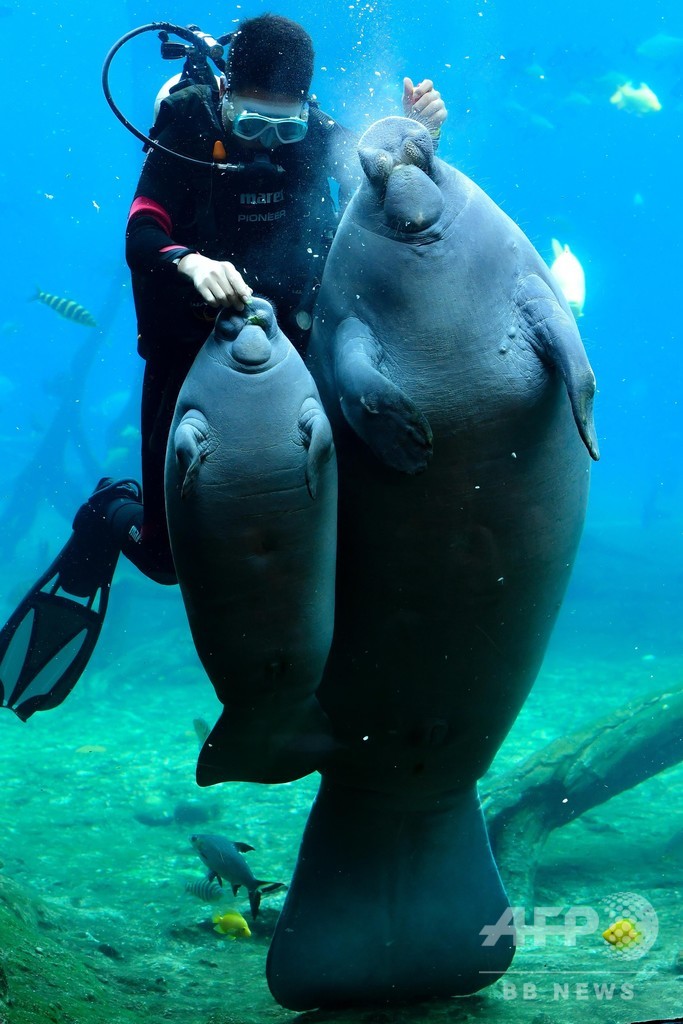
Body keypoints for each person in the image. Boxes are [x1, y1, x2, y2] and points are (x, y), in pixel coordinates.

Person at [0, 13, 447, 720]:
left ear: (306, 110)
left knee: (344, 500)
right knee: (169, 560)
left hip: (292, 338)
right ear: (225, 99)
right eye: (250, 123)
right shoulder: (186, 125)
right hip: (186, 341)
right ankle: (109, 513)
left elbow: (374, 182)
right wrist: (189, 260)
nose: (268, 146)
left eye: (286, 129)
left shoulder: (319, 133)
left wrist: (413, 133)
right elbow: (142, 227)